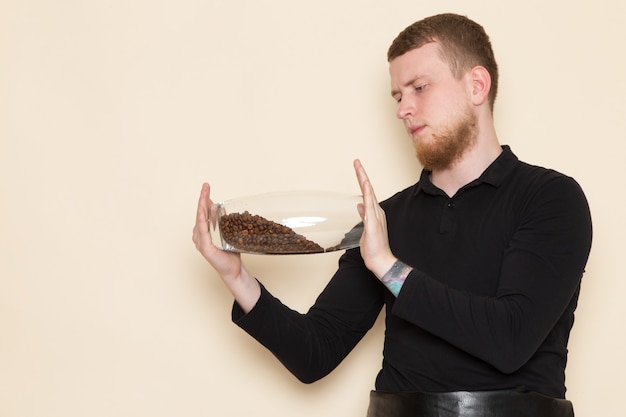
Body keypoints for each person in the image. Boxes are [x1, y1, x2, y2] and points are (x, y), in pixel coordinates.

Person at [192, 13, 592, 417]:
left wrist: (388, 267)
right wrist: (236, 276)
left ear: (477, 85)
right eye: (398, 96)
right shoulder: (387, 220)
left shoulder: (551, 199)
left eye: (419, 88)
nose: (404, 109)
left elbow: (510, 339)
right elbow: (314, 352)